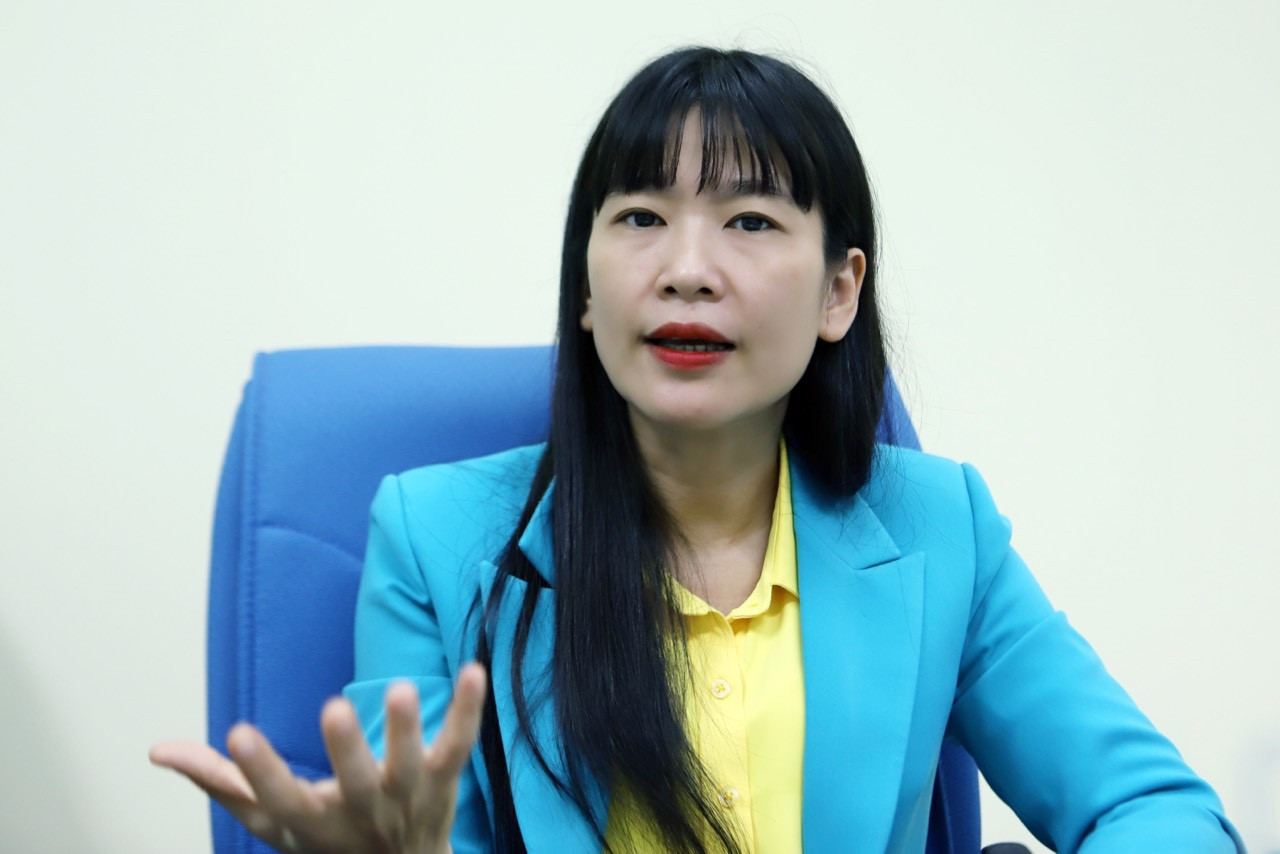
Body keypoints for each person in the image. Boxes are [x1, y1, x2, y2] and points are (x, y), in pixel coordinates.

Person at [151, 47, 1245, 853]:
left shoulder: (941, 527)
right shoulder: (434, 541)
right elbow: (418, 827)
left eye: (749, 221)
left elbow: (1156, 810)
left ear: (839, 291)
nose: (685, 268)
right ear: (585, 289)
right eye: (639, 217)